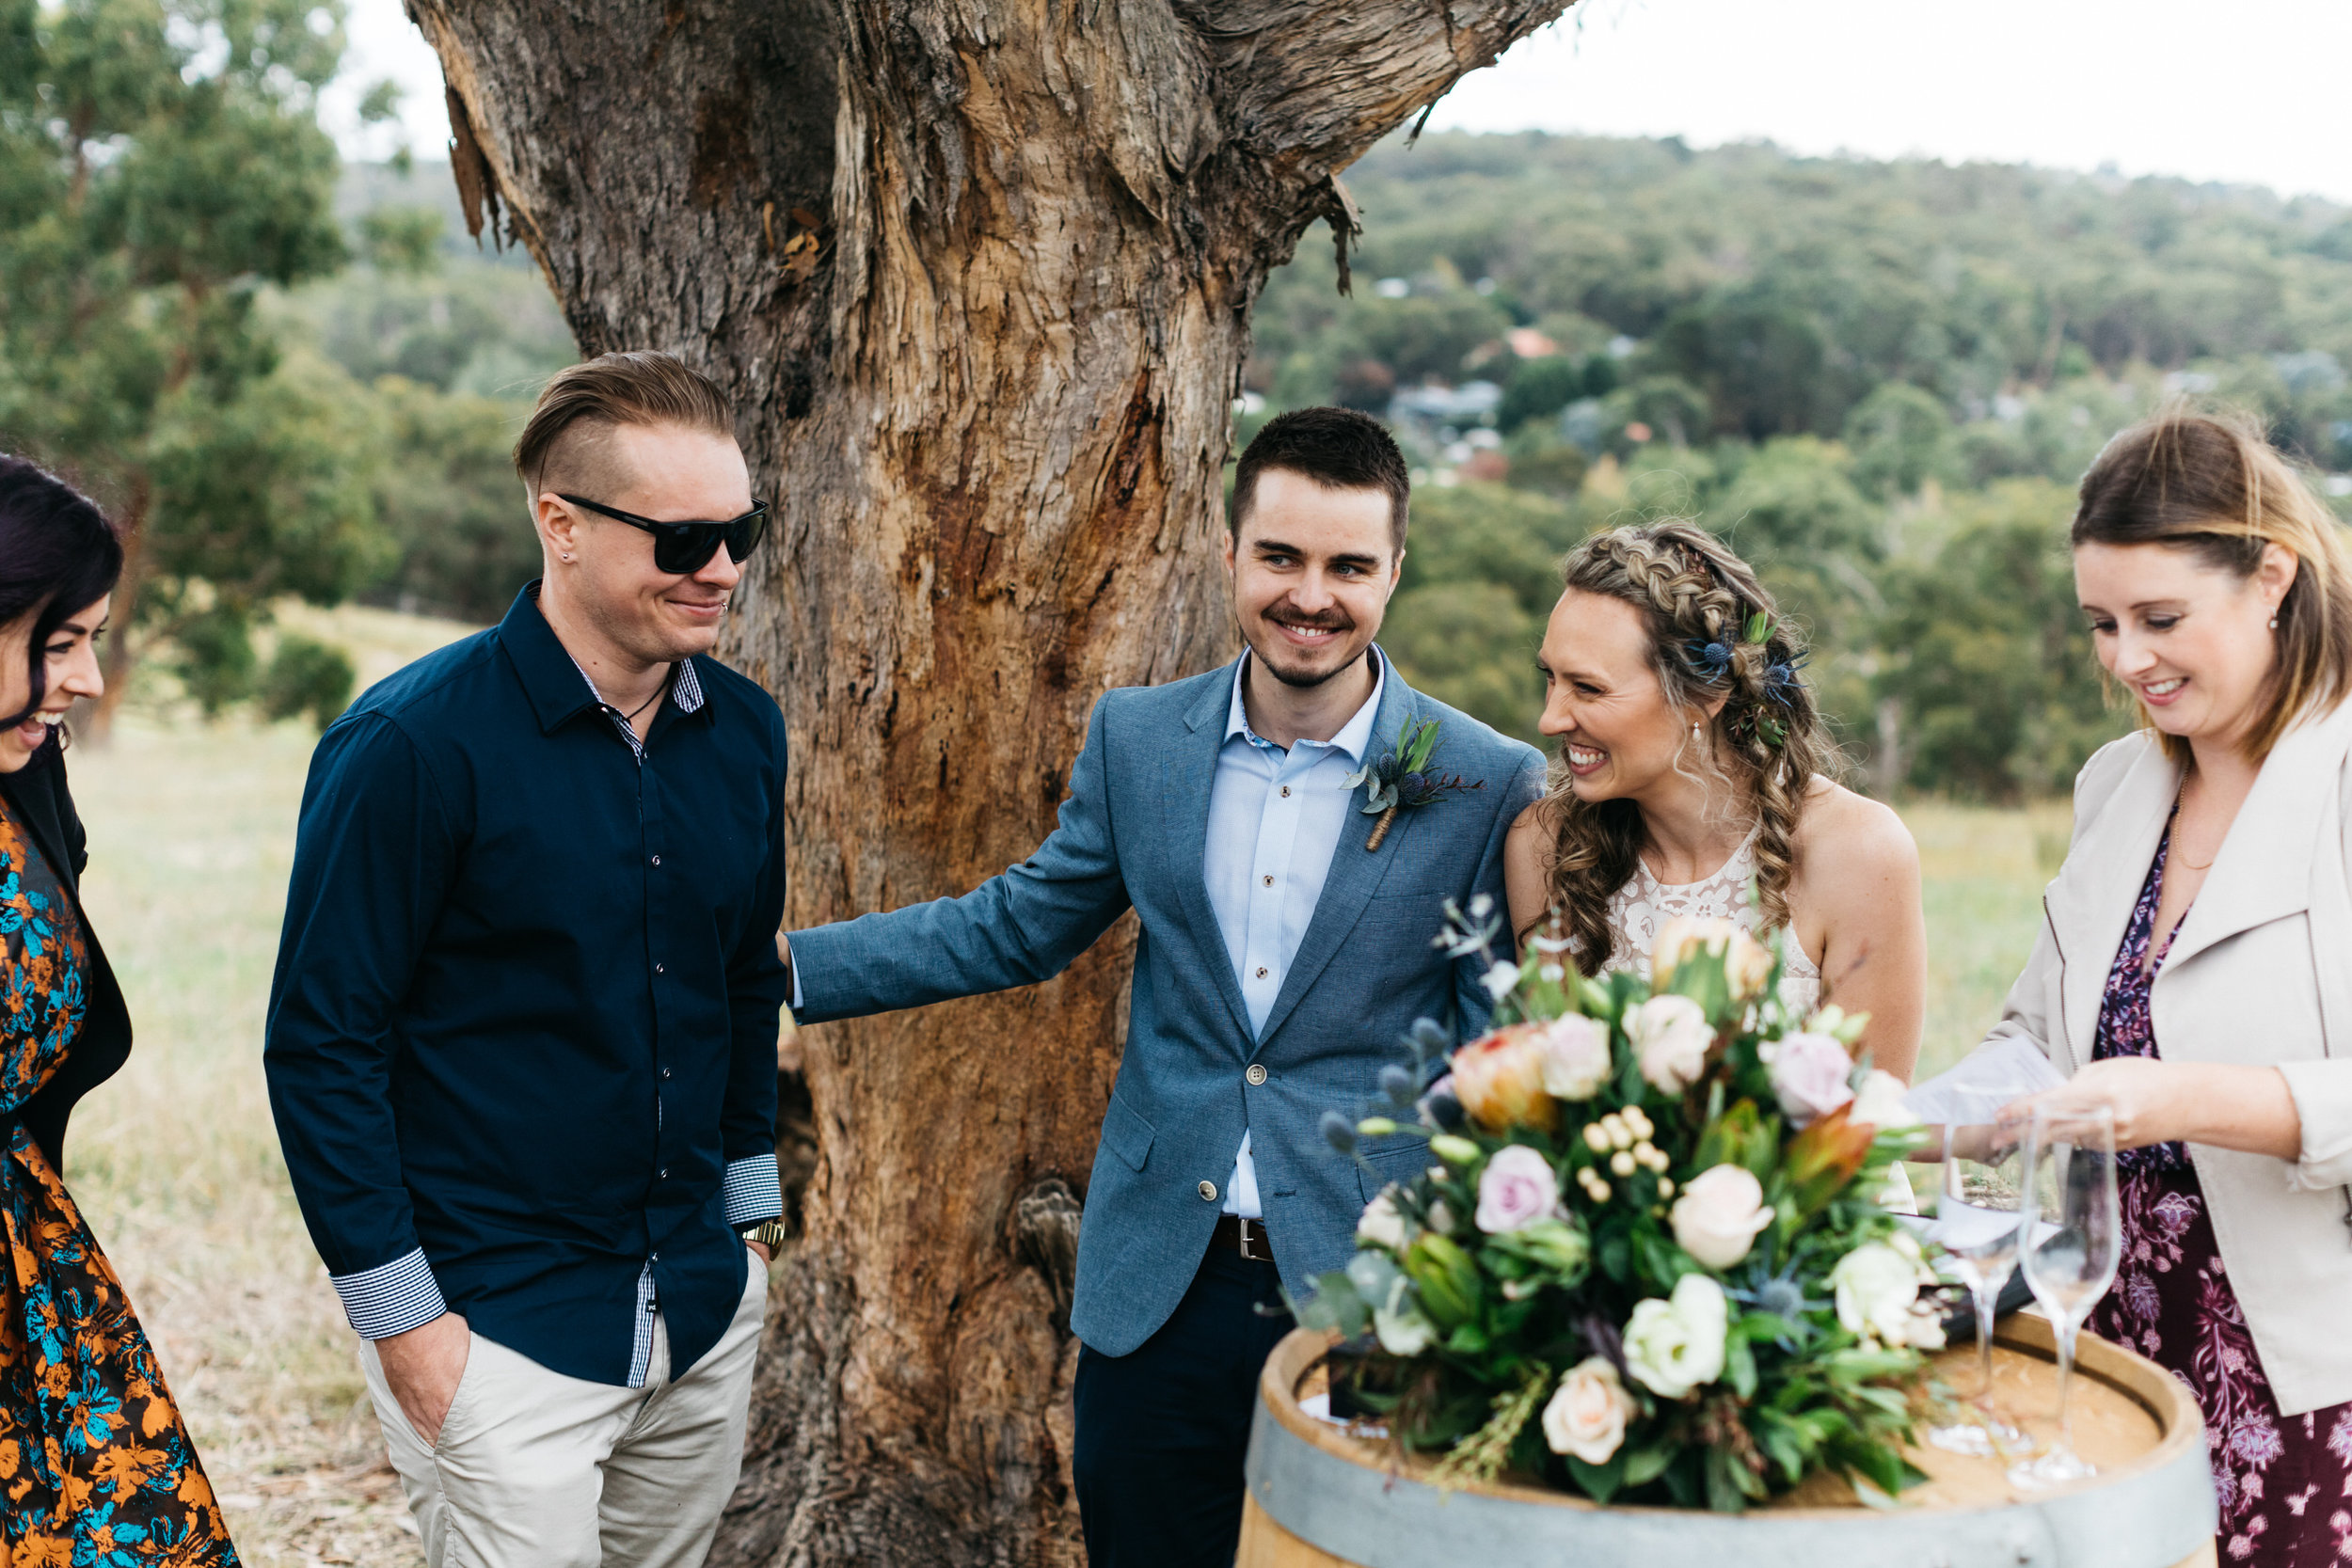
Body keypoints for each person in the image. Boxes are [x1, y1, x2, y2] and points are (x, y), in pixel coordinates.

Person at [780, 407, 1545, 1567]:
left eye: (1348, 566)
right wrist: (788, 969)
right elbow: (1019, 924)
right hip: (1158, 1283)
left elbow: (1504, 1051)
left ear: (1396, 570)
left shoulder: (1484, 780)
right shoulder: (1140, 739)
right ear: (1229, 550)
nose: (1310, 594)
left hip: (1375, 1288)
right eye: (1281, 557)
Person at [263, 352, 792, 1568]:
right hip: (494, 1333)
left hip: (702, 1310)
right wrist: (414, 1338)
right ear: (560, 523)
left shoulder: (748, 732)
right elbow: (321, 1044)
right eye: (683, 537)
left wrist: (749, 1223)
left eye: (741, 530)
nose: (720, 566)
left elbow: (739, 976)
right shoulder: (410, 745)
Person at [1980, 412, 2352, 1565]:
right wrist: (1853, 1119)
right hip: (2120, 1377)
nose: (2124, 658)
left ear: (2271, 576)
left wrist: (2179, 1096)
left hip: (2309, 1388)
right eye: (2101, 623)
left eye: (2159, 618)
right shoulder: (2114, 785)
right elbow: (2032, 1045)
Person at [0, 455, 241, 1561]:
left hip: (34, 1282)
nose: (88, 679)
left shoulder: (27, 783)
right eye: (57, 642)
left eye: (90, 638)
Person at [1503, 520, 1926, 1075]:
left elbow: (1870, 1119)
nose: (1550, 718)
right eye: (1549, 678)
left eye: (1588, 688)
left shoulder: (1860, 851)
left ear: (1706, 694)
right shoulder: (1543, 844)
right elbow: (1545, 1097)